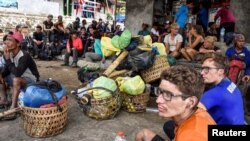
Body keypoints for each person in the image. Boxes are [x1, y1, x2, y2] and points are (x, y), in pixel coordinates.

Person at [135, 65, 216, 141]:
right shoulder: (197, 112)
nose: (158, 100)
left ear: (190, 102)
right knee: (144, 133)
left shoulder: (191, 136)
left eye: (168, 95)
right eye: (160, 92)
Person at [0, 32, 40, 116]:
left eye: (10, 40)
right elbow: (7, 70)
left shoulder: (24, 55)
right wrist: (1, 74)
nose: (6, 42)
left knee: (16, 79)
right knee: (1, 76)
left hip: (31, 81)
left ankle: (13, 108)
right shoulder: (9, 53)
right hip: (18, 78)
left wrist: (8, 60)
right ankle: (4, 100)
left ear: (18, 43)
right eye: (6, 40)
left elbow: (18, 73)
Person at [199, 53, 245, 125]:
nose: (202, 73)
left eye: (207, 69)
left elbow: (188, 115)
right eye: (202, 69)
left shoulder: (215, 93)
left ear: (221, 71)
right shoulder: (231, 84)